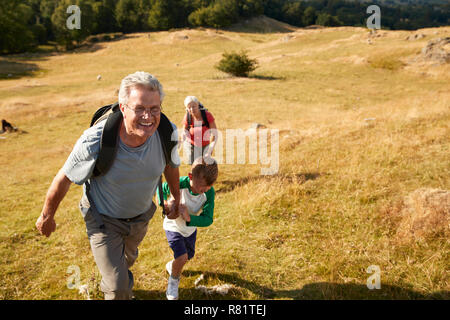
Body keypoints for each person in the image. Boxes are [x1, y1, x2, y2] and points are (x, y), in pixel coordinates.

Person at [35, 71, 181, 300]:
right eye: (140, 108)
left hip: (141, 218)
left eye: (155, 109)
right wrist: (47, 216)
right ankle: (117, 288)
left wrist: (176, 199)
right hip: (103, 219)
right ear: (123, 108)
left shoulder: (167, 132)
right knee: (117, 287)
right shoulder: (96, 139)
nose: (148, 117)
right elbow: (63, 178)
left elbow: (171, 167)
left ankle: (118, 282)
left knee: (125, 264)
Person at [158, 157, 218, 300]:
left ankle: (172, 266)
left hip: (189, 230)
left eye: (209, 186)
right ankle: (173, 281)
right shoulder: (179, 183)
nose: (205, 190)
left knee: (187, 257)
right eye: (202, 186)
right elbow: (161, 190)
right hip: (173, 226)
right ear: (191, 176)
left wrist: (190, 218)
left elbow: (208, 219)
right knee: (182, 257)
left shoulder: (209, 193)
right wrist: (165, 204)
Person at [181, 96, 217, 164]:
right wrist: (183, 136)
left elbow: (215, 135)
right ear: (186, 108)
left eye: (194, 106)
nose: (192, 109)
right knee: (195, 166)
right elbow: (184, 131)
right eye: (189, 107)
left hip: (205, 145)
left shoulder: (207, 115)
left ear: (198, 105)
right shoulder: (187, 116)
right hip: (191, 145)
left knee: (204, 165)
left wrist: (209, 150)